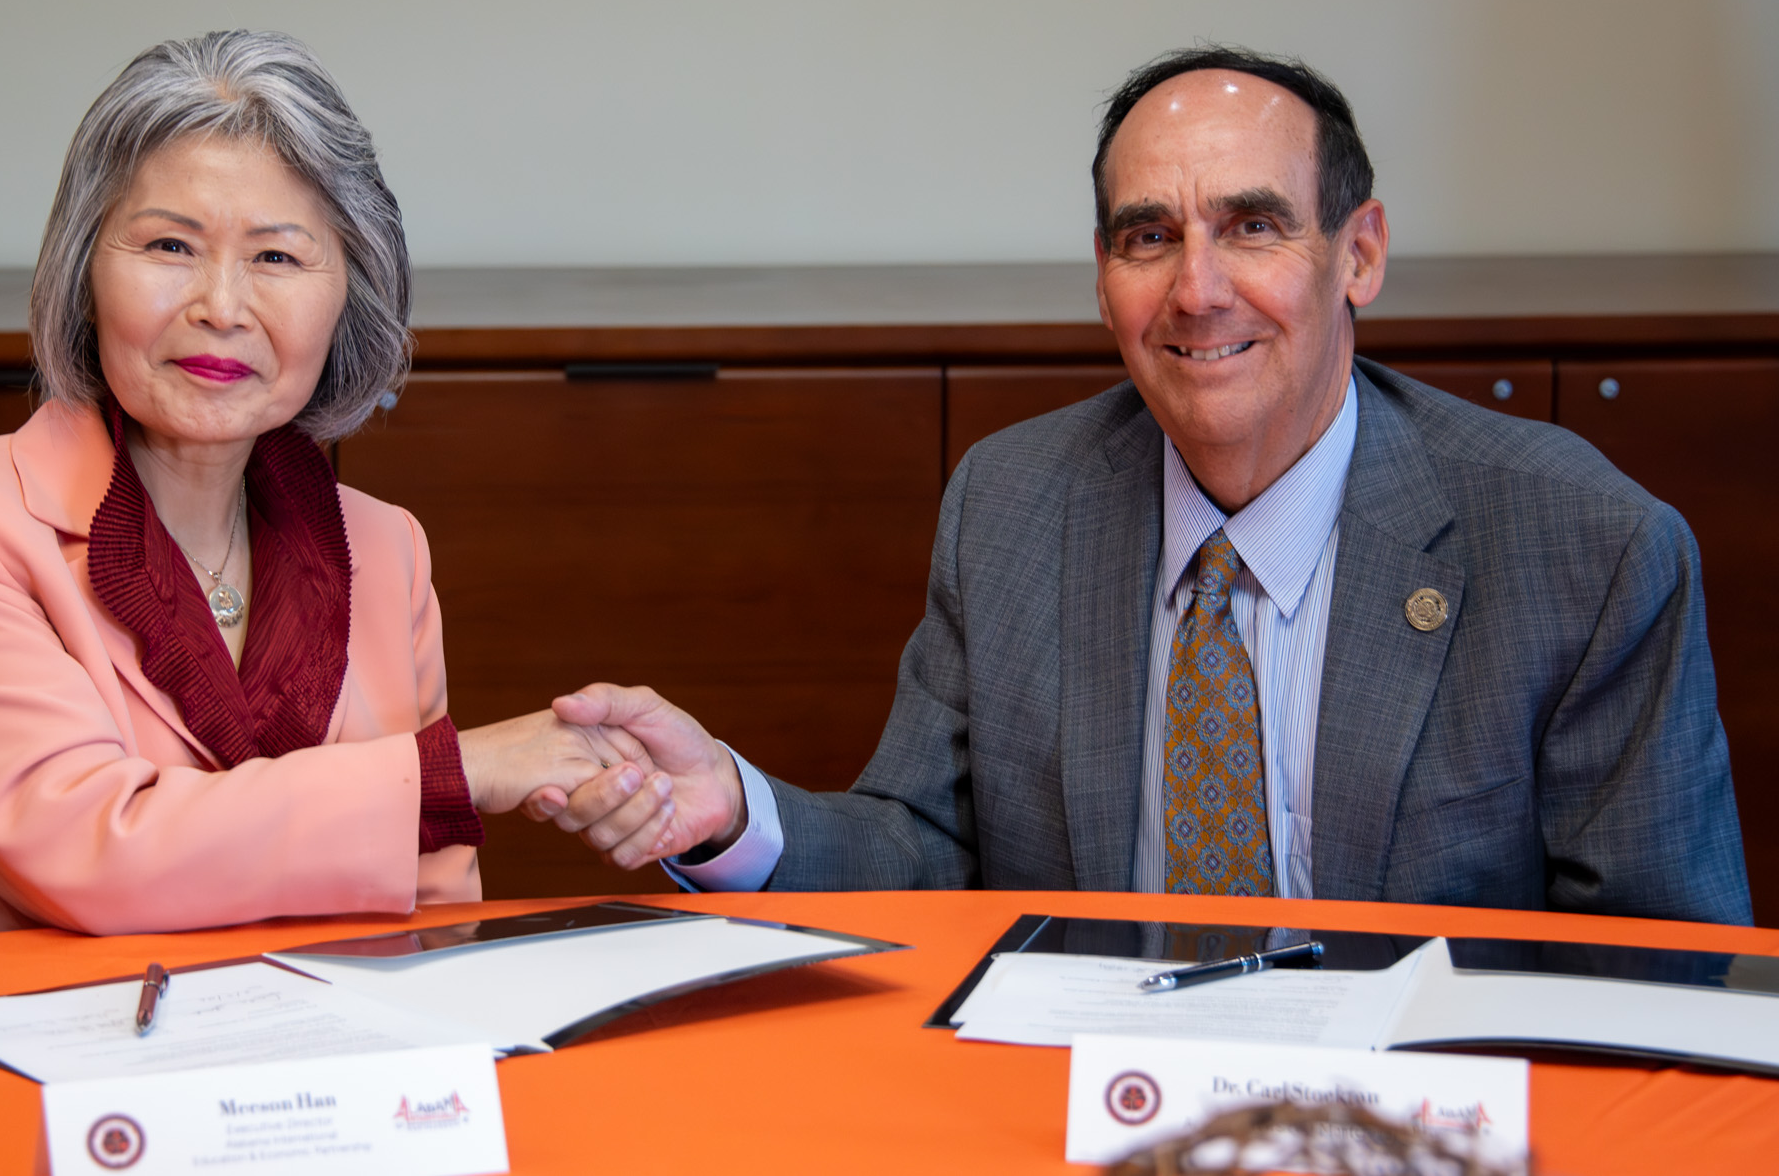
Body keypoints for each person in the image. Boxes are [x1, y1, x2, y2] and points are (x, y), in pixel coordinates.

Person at [534, 45, 1754, 925]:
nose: (1196, 288)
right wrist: (735, 810)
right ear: (1102, 280)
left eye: (1253, 226)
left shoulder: (1578, 546)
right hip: (1087, 1108)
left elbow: (1659, 972)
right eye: (1145, 237)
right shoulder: (1014, 503)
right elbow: (925, 852)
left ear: (1359, 255)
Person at [0, 31, 642, 941]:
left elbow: (434, 911)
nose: (221, 305)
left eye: (276, 258)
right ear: (83, 274)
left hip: (316, 1067)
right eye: (170, 244)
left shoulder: (388, 549)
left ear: (350, 300)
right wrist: (452, 771)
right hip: (11, 1058)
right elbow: (86, 850)